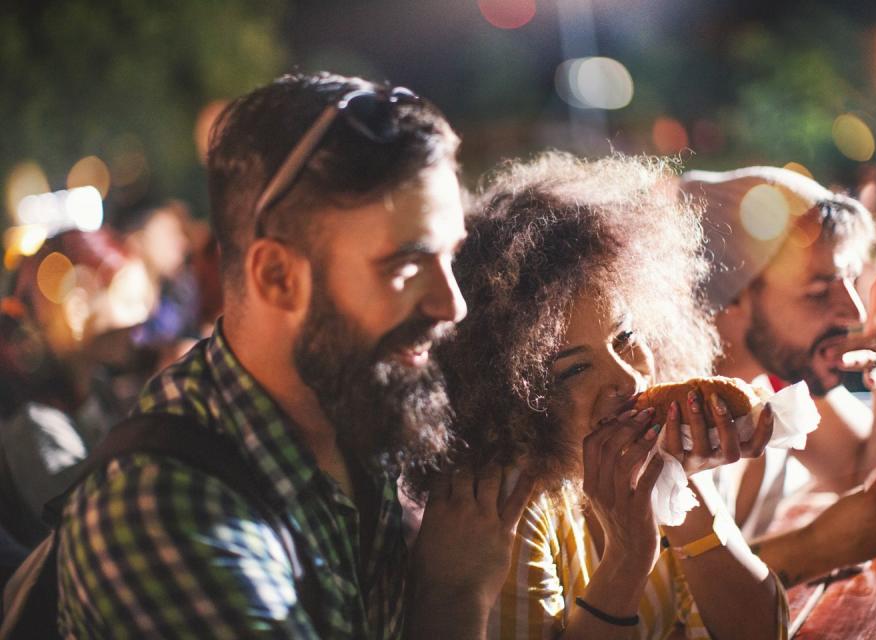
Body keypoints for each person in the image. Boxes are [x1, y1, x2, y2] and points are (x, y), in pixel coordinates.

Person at [56, 72, 531, 639]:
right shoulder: (165, 515)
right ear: (278, 277)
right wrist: (453, 601)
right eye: (406, 265)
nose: (452, 304)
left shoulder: (350, 402)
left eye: (451, 256)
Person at [410, 152, 787, 639]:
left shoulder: (658, 461)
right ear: (514, 394)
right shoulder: (510, 506)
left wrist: (691, 494)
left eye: (626, 338)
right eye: (577, 368)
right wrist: (627, 560)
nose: (629, 380)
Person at [679, 166, 876, 588]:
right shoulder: (656, 406)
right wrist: (810, 549)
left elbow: (872, 477)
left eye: (850, 281)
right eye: (818, 290)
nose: (853, 313)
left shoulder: (771, 374)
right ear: (732, 292)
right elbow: (636, 609)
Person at [0, 228, 155, 557]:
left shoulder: (96, 385)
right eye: (127, 301)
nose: (142, 318)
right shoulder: (32, 421)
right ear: (76, 306)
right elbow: (94, 527)